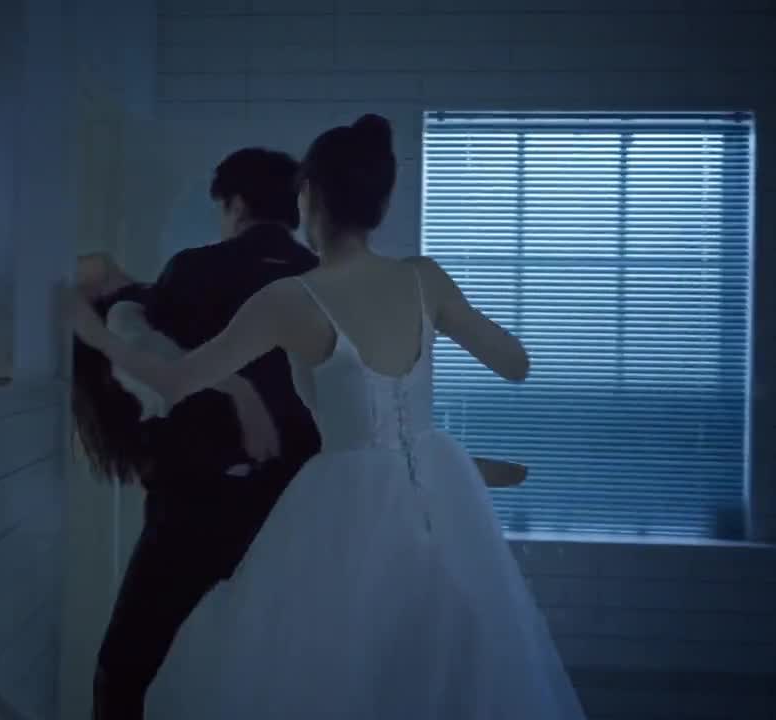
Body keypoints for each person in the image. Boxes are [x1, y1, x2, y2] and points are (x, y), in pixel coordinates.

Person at [71, 114, 586, 718]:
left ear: (309, 195)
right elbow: (515, 365)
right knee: (428, 670)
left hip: (334, 506)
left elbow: (176, 382)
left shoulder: (290, 300)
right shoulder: (424, 279)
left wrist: (96, 327)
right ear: (383, 203)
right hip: (428, 500)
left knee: (317, 673)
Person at [79, 148, 323, 720]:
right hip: (297, 506)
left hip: (196, 504)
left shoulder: (193, 270)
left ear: (234, 204)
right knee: (286, 669)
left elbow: (155, 366)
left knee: (125, 666)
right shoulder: (323, 280)